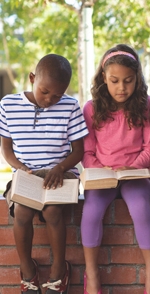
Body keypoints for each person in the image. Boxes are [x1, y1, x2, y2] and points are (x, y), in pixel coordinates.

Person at [0, 54, 88, 294]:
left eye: (57, 95)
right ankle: (28, 270)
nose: (50, 99)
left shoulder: (70, 106)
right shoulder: (8, 104)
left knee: (52, 211)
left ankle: (59, 270)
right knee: (22, 211)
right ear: (32, 79)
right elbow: (6, 149)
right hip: (26, 174)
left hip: (61, 173)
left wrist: (60, 168)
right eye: (45, 91)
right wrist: (21, 168)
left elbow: (79, 150)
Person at [81, 44, 150, 294]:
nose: (121, 88)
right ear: (103, 77)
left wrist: (133, 166)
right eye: (114, 81)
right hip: (102, 178)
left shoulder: (147, 105)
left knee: (141, 209)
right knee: (91, 212)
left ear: (137, 79)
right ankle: (92, 275)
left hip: (135, 176)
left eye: (128, 81)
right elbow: (87, 152)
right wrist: (101, 169)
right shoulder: (92, 108)